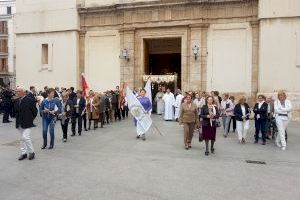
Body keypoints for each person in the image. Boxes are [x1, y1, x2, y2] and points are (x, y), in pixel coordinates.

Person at [14, 87, 38, 161]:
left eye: (18, 91)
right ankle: (24, 153)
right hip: (19, 122)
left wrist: (30, 119)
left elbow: (35, 111)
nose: (17, 93)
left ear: (23, 92)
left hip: (28, 122)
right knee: (22, 139)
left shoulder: (30, 100)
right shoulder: (17, 100)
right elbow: (16, 111)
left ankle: (31, 152)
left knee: (25, 137)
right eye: (16, 91)